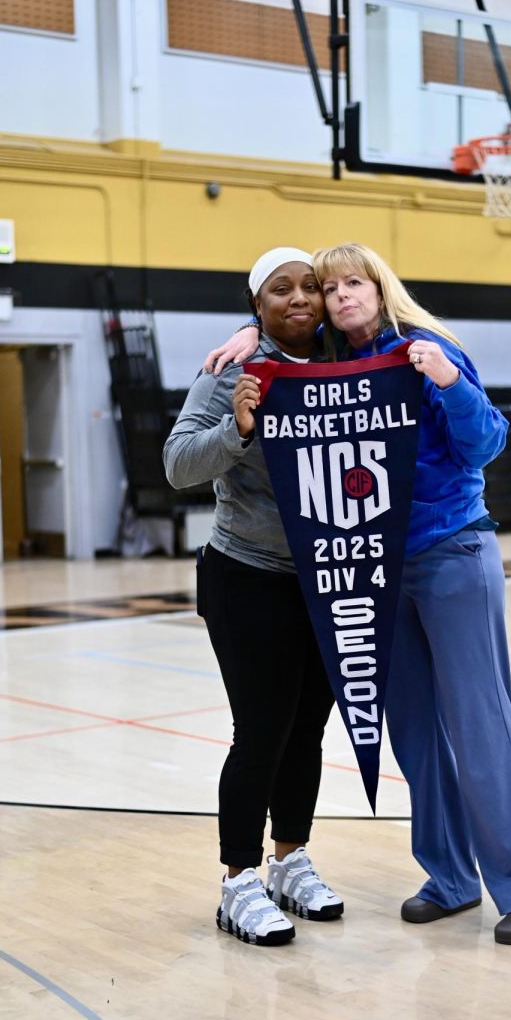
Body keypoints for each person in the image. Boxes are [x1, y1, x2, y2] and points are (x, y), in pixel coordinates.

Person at [206, 244, 511, 945]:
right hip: (377, 570)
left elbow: (485, 443)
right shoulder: (336, 362)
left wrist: (448, 383)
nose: (339, 295)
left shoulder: (426, 348)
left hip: (452, 553)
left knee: (478, 722)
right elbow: (278, 351)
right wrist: (247, 334)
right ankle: (451, 877)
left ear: (380, 289)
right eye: (329, 285)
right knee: (410, 730)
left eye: (353, 282)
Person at [163, 248, 343, 947]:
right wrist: (236, 429)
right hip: (248, 576)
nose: (298, 298)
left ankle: (289, 860)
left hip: (330, 579)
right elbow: (177, 465)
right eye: (280, 289)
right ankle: (237, 880)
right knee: (261, 730)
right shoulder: (230, 369)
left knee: (308, 731)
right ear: (256, 305)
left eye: (310, 286)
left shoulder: (347, 364)